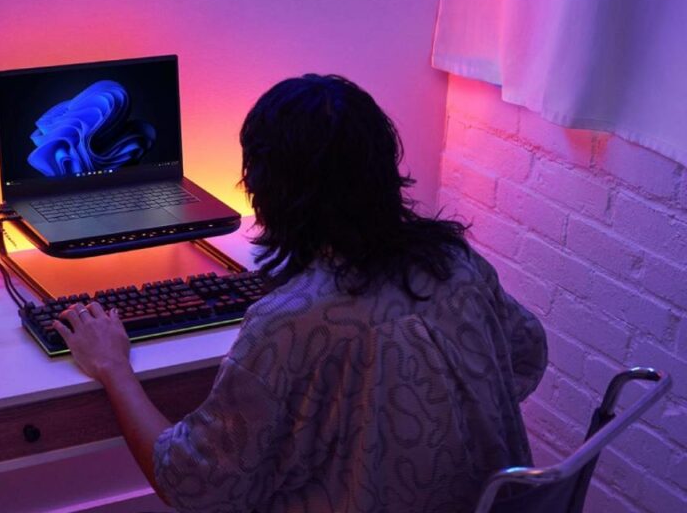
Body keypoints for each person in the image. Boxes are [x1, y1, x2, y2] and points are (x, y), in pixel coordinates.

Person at [55, 74, 548, 513]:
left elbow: (190, 484)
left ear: (266, 188)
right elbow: (526, 357)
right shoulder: (457, 264)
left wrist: (113, 366)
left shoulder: (290, 322)